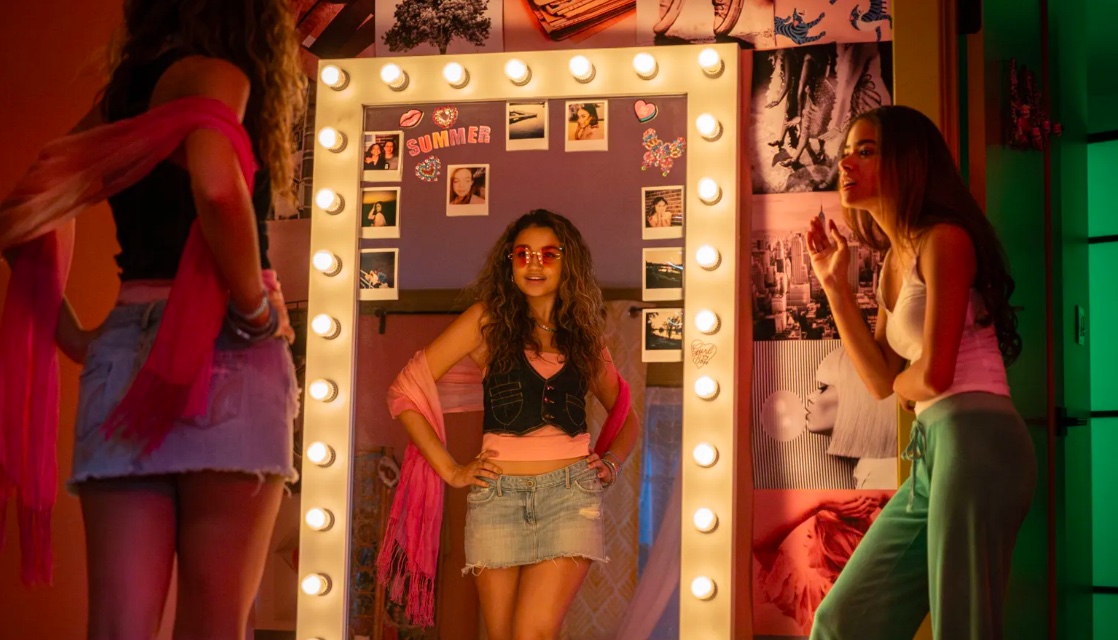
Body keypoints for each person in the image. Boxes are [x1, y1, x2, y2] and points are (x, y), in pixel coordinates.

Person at [0, 0, 304, 637]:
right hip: (229, 352)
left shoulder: (125, 96)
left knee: (118, 628)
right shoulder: (221, 74)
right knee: (214, 625)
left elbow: (23, 212)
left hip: (121, 357)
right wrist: (253, 310)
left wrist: (77, 337)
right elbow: (216, 185)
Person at [804, 105, 1035, 639]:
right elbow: (880, 381)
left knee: (962, 625)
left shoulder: (945, 240)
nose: (846, 164)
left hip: (977, 441)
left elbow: (931, 376)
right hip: (937, 448)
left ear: (909, 163)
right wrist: (835, 287)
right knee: (842, 621)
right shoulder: (893, 261)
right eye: (846, 152)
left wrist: (908, 387)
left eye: (865, 151)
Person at [378, 210, 640, 639]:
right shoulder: (486, 322)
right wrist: (451, 470)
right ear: (510, 261)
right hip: (496, 498)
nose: (534, 264)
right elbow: (404, 391)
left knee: (532, 632)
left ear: (568, 262)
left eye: (548, 254)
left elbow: (626, 417)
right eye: (523, 254)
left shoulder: (585, 338)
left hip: (569, 497)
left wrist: (611, 463)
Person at [753, 492, 891, 635]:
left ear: (830, 544)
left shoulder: (814, 597)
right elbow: (760, 546)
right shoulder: (811, 592)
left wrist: (882, 496)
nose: (805, 543)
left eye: (810, 535)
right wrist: (819, 503)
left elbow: (761, 546)